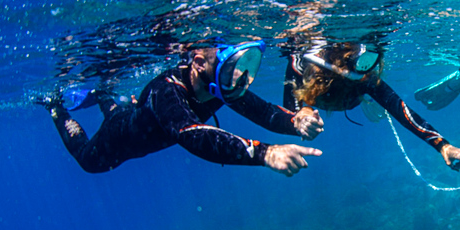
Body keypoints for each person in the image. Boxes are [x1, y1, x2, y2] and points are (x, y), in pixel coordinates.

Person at [38, 41, 324, 176]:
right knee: (89, 162)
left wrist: (294, 122)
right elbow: (193, 135)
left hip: (135, 120)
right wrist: (265, 153)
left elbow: (259, 110)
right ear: (198, 62)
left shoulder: (218, 84)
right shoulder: (168, 91)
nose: (239, 76)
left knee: (116, 111)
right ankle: (55, 107)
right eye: (231, 67)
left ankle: (104, 95)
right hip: (119, 140)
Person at [282, 41, 460, 171]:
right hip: (324, 97)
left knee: (377, 95)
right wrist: (302, 112)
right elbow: (289, 108)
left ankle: (371, 102)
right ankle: (371, 102)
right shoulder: (304, 64)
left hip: (356, 99)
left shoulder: (365, 79)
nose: (368, 69)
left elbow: (401, 111)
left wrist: (443, 146)